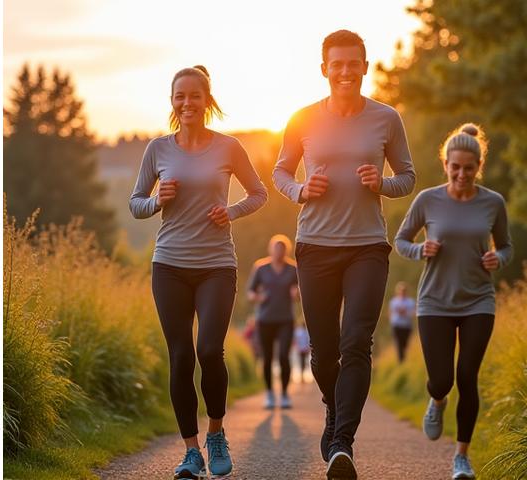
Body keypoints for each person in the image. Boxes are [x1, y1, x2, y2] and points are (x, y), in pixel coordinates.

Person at [273, 30, 416, 479]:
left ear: (365, 67)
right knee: (323, 351)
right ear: (324, 69)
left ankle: (342, 444)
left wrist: (382, 184)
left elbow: (407, 176)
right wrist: (299, 190)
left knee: (357, 342)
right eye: (337, 64)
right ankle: (334, 409)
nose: (345, 71)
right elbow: (280, 169)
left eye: (353, 63)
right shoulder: (302, 119)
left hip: (367, 247)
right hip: (314, 246)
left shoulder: (386, 118)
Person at [129, 65, 267, 480]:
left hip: (216, 265)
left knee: (209, 349)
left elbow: (259, 193)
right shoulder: (157, 149)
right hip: (169, 264)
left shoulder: (228, 147)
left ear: (207, 100)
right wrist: (156, 201)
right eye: (179, 96)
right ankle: (191, 451)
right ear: (173, 102)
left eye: (195, 95)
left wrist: (232, 211)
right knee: (180, 355)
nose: (187, 103)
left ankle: (217, 434)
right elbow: (136, 203)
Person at [394, 123, 512, 479]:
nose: (462, 174)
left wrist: (498, 259)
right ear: (445, 164)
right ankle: (437, 400)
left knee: (467, 375)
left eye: (469, 168)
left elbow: (505, 246)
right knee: (442, 379)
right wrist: (420, 249)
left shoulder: (493, 202)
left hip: (478, 300)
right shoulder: (428, 200)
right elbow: (400, 240)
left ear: (479, 166)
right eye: (455, 167)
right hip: (434, 303)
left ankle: (461, 456)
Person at [247, 234, 299, 409]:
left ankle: (284, 394)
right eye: (276, 248)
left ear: (287, 251)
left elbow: (300, 292)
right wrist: (258, 297)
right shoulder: (261, 268)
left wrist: (296, 293)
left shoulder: (293, 269)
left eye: (282, 249)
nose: (278, 252)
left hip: (285, 319)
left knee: (284, 356)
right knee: (267, 357)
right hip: (265, 319)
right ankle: (269, 393)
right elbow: (250, 292)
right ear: (270, 249)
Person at [388, 281, 416, 363]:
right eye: (401, 290)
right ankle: (400, 362)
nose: (402, 292)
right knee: (399, 344)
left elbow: (414, 313)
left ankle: (403, 361)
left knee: (405, 345)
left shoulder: (410, 301)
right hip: (396, 325)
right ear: (398, 291)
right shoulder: (393, 301)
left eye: (404, 290)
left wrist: (405, 312)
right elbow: (390, 313)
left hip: (407, 326)